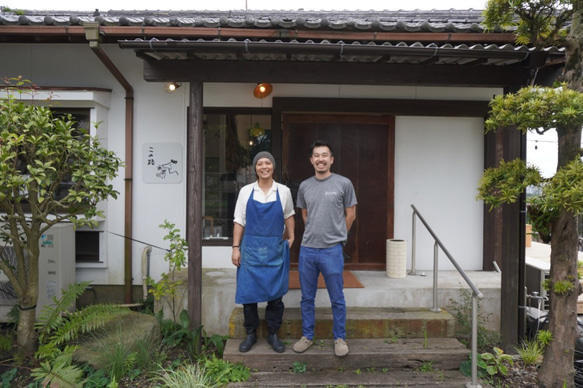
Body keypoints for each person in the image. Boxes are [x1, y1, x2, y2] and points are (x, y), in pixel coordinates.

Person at [292, 140, 357, 358]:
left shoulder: (343, 183)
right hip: (308, 250)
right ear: (311, 160)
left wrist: (340, 237)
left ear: (331, 159)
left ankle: (340, 338)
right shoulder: (304, 186)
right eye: (316, 155)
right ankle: (307, 336)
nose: (320, 159)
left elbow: (351, 214)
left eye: (324, 155)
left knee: (336, 297)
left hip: (332, 250)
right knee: (307, 297)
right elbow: (304, 215)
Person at [232, 151, 295, 353]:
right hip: (250, 250)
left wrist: (291, 237)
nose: (264, 166)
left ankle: (273, 334)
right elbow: (239, 221)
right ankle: (250, 334)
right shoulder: (246, 191)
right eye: (260, 163)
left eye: (268, 162)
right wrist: (235, 248)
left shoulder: (283, 191)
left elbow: (289, 215)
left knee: (275, 296)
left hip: (274, 251)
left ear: (273, 167)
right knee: (249, 295)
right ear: (255, 168)